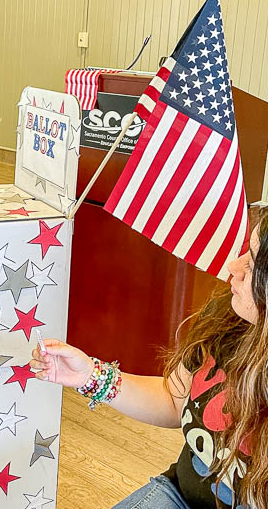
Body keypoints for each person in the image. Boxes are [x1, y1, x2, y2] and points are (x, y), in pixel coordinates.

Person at [31, 215, 268, 508]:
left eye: (253, 263)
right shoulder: (228, 319)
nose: (234, 266)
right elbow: (173, 399)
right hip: (181, 493)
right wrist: (90, 375)